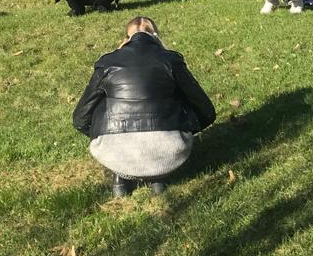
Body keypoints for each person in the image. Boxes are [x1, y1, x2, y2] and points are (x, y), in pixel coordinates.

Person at [72, 16, 215, 197]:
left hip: (113, 153)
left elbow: (80, 118)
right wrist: (185, 128)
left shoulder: (108, 63)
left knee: (105, 98)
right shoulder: (171, 60)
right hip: (171, 150)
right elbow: (206, 110)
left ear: (126, 38)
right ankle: (158, 176)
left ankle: (120, 178)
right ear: (156, 36)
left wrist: (99, 134)